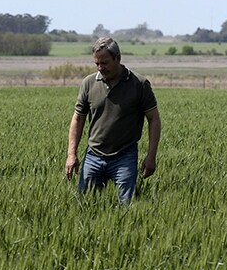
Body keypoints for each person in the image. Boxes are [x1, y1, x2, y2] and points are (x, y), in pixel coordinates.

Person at [65, 37, 161, 203]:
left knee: (126, 206)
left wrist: (151, 156)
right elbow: (78, 118)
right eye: (97, 64)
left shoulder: (139, 84)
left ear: (118, 58)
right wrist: (71, 154)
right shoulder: (88, 83)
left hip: (125, 157)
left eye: (105, 63)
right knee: (84, 205)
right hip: (93, 156)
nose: (100, 68)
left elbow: (154, 119)